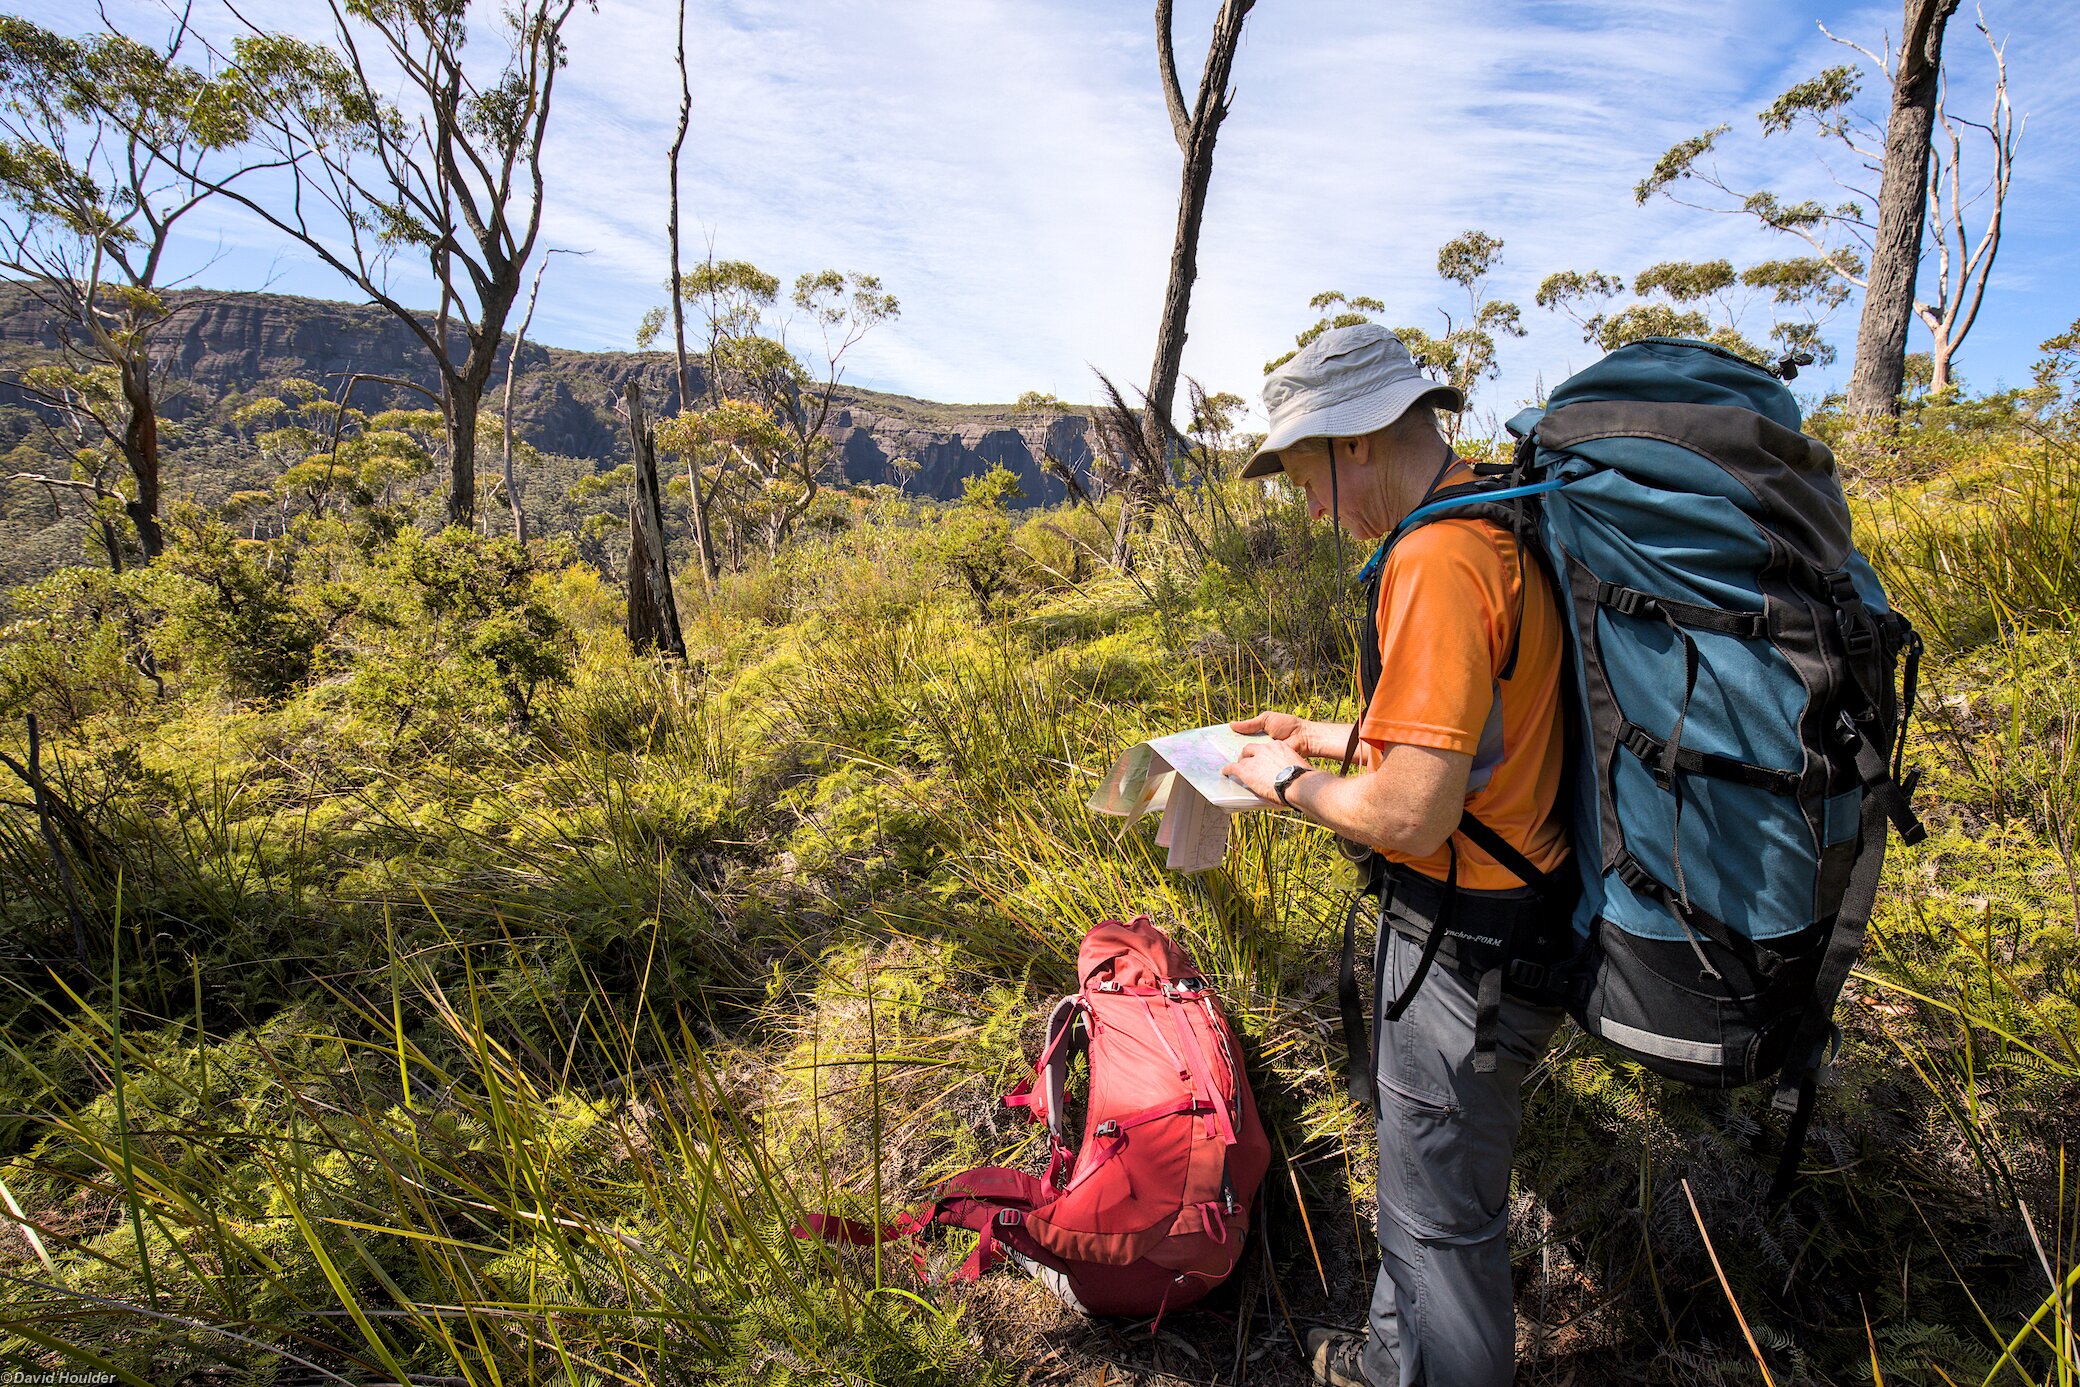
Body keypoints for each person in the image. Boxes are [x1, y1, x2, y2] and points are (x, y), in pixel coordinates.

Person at [1218, 324, 1571, 1387]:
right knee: (1423, 1195)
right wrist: (1320, 737)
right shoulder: (1493, 520)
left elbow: (1415, 814)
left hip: (1465, 948)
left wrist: (1282, 786)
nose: (1311, 509)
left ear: (1356, 439)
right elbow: (1476, 738)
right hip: (1516, 917)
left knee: (1443, 1227)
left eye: (1303, 474)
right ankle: (1383, 1365)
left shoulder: (1434, 556)